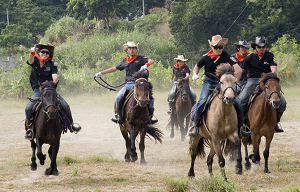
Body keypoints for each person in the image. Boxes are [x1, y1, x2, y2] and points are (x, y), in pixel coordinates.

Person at [188, 35, 252, 137]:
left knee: (238, 102)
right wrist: (195, 74)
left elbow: (238, 69)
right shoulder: (205, 57)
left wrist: (234, 81)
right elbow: (197, 66)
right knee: (202, 100)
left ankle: (241, 127)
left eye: (220, 47)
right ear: (211, 47)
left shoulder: (227, 56)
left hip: (224, 84)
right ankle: (195, 126)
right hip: (209, 82)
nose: (218, 49)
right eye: (216, 47)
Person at [25, 44, 82, 140]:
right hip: (38, 90)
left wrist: (51, 85)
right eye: (43, 52)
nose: (45, 54)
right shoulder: (34, 61)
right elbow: (30, 61)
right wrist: (31, 53)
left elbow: (55, 78)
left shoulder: (52, 64)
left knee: (66, 105)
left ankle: (71, 125)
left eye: (47, 53)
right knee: (28, 108)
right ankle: (30, 129)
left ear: (49, 55)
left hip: (49, 90)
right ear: (39, 53)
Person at [94, 41, 158, 124]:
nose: (132, 50)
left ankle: (150, 117)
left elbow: (151, 60)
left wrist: (146, 65)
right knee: (118, 97)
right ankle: (119, 115)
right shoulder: (125, 61)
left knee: (151, 98)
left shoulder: (140, 58)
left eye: (133, 48)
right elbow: (114, 68)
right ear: (127, 50)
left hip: (140, 84)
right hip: (129, 84)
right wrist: (101, 73)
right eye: (130, 48)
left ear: (136, 49)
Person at [238, 36, 286, 132]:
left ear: (266, 46)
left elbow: (274, 71)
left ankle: (275, 123)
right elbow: (240, 70)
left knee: (283, 102)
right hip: (252, 80)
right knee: (241, 100)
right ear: (255, 46)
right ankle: (241, 123)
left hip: (267, 80)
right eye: (259, 47)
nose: (261, 49)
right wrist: (236, 80)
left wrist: (270, 78)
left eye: (263, 46)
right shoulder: (249, 57)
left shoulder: (270, 56)